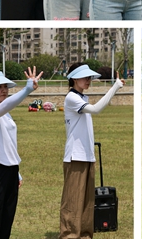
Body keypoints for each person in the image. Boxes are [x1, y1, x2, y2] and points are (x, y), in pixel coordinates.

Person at [0, 67, 42, 239]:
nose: (4, 90)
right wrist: (27, 89)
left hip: (10, 171)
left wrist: (15, 171)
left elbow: (7, 142)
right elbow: (4, 107)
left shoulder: (6, 113)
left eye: (5, 86)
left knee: (5, 225)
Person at [60, 63, 124, 238]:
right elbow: (97, 109)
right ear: (73, 78)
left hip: (87, 155)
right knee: (73, 201)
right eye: (84, 77)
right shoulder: (72, 98)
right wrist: (116, 87)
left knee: (87, 202)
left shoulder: (82, 98)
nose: (88, 81)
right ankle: (69, 235)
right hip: (75, 156)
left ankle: (85, 234)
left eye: (89, 77)